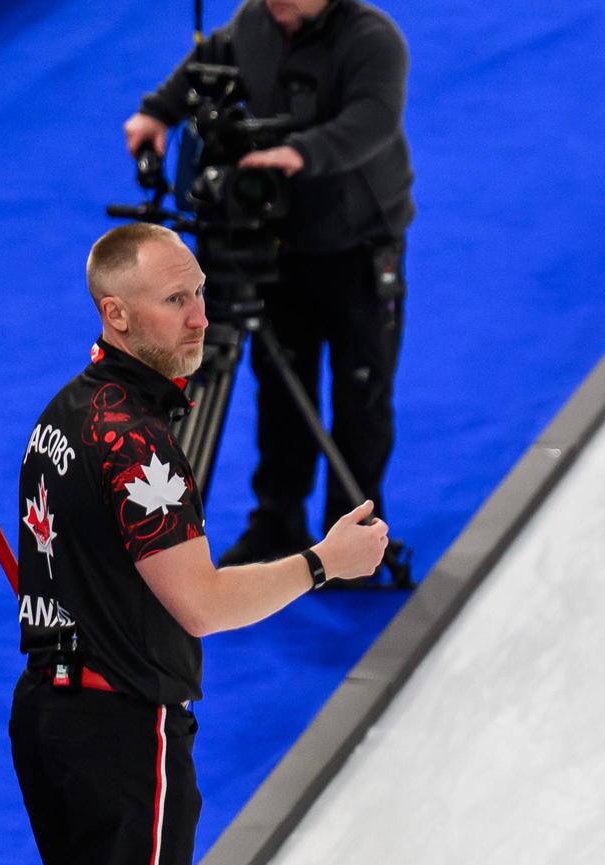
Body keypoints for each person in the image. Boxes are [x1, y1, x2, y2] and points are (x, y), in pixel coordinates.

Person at [7, 222, 384, 865]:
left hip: (51, 710)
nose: (201, 316)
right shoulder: (134, 439)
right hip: (123, 729)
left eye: (201, 293)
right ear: (116, 313)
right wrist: (322, 563)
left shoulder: (63, 414)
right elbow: (205, 603)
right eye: (175, 300)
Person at [126, 0, 412, 570]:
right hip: (276, 245)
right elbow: (206, 64)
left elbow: (373, 120)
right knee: (280, 390)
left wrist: (298, 154)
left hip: (357, 247)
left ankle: (354, 538)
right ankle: (278, 521)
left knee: (361, 394)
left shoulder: (373, 38)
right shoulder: (255, 21)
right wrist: (158, 112)